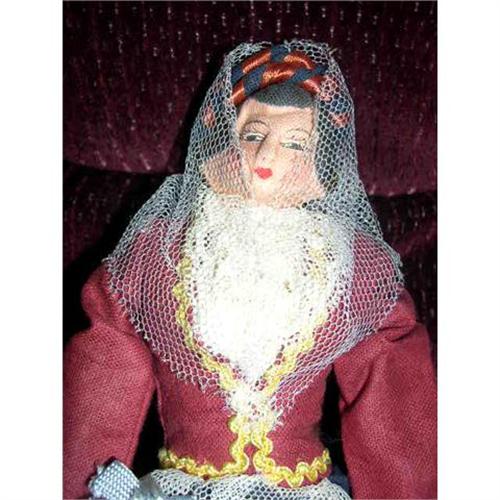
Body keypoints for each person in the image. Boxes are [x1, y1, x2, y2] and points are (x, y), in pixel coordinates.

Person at [64, 41, 437, 499]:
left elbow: (392, 394)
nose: (266, 157)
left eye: (295, 143)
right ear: (220, 144)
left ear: (322, 167)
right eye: (252, 134)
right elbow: (102, 376)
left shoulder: (352, 266)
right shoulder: (157, 255)